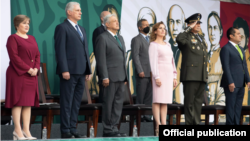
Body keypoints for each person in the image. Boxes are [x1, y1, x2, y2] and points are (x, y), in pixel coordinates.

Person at [54, 2, 91, 138]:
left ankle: (73, 128)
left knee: (76, 102)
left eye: (80, 10)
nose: (80, 12)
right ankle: (65, 130)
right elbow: (60, 50)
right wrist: (64, 69)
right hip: (69, 72)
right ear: (69, 12)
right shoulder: (62, 28)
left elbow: (85, 51)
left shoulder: (82, 29)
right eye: (77, 10)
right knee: (67, 102)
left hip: (81, 71)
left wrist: (88, 70)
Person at [5, 15, 40, 140]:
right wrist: (28, 69)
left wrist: (36, 68)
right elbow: (14, 57)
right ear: (17, 25)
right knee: (18, 102)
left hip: (31, 75)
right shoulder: (12, 38)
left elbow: (37, 55)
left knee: (28, 103)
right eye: (24, 23)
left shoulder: (32, 38)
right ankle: (17, 131)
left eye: (28, 23)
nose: (27, 25)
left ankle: (26, 131)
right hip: (17, 74)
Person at [95, 14, 127, 137]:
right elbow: (101, 59)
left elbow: (122, 58)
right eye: (114, 21)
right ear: (107, 24)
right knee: (109, 103)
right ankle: (108, 129)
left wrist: (125, 77)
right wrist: (104, 76)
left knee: (118, 103)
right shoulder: (102, 38)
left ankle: (114, 127)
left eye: (118, 21)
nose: (117, 23)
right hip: (109, 77)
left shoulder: (120, 37)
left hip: (120, 76)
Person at [176, 13, 208, 125]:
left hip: (201, 75)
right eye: (195, 23)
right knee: (189, 102)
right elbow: (179, 39)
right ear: (189, 24)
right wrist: (188, 28)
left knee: (198, 103)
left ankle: (196, 124)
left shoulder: (201, 38)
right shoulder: (186, 37)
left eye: (199, 23)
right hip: (190, 75)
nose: (198, 25)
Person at [148, 21, 177, 136]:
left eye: (164, 28)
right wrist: (156, 76)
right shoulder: (153, 45)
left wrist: (174, 76)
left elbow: (172, 61)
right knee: (157, 100)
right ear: (155, 31)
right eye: (160, 28)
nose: (163, 30)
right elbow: (153, 62)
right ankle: (158, 125)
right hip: (159, 74)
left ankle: (164, 125)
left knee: (165, 101)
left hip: (169, 75)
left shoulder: (168, 44)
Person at [220, 27, 250, 125]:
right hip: (231, 83)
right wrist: (230, 81)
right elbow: (226, 66)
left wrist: (248, 80)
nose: (240, 35)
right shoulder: (226, 48)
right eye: (237, 33)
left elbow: (244, 66)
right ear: (231, 36)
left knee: (238, 108)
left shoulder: (241, 49)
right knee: (231, 108)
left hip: (241, 83)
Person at [131, 19, 152, 122]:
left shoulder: (151, 39)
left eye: (148, 25)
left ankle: (147, 115)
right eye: (145, 25)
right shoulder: (136, 39)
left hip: (151, 73)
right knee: (141, 95)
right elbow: (135, 56)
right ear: (139, 27)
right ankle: (139, 116)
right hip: (142, 73)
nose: (147, 26)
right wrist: (140, 70)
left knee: (149, 96)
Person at [166, 4, 186, 105]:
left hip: (181, 97)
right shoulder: (164, 47)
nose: (174, 27)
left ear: (183, 24)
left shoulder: (187, 48)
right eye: (171, 22)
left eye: (178, 22)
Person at [206, 11, 224, 106]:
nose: (212, 32)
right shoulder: (205, 56)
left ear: (220, 31)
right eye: (210, 28)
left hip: (218, 107)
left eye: (215, 28)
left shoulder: (224, 55)